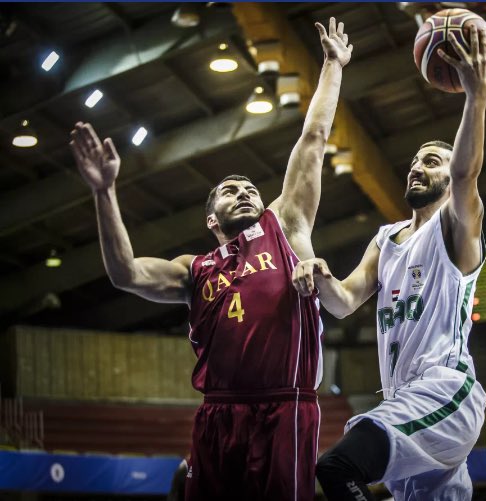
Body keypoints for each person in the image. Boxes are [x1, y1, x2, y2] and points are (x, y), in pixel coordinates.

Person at [69, 18, 353, 501]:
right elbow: (126, 273)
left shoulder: (284, 226)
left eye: (250, 188)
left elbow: (313, 138)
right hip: (217, 414)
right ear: (210, 219)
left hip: (284, 407)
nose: (244, 191)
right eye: (229, 190)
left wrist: (332, 65)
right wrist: (105, 193)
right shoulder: (195, 269)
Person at [292, 26, 486, 501]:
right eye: (415, 160)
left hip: (444, 390)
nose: (416, 167)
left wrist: (476, 97)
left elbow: (468, 171)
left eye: (431, 161)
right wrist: (319, 273)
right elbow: (343, 302)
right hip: (404, 398)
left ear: (449, 179)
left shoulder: (455, 226)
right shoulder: (386, 240)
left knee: (338, 466)